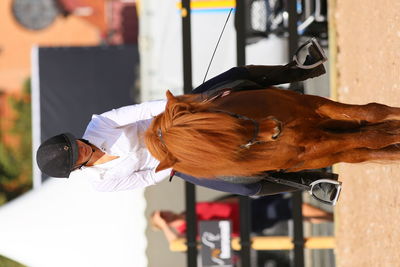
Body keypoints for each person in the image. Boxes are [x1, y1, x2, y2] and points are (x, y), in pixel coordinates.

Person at [36, 39, 328, 193]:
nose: (82, 146)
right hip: (174, 161)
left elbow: (141, 111)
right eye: (78, 153)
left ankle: (297, 69)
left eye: (76, 142)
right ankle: (308, 182)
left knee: (235, 77)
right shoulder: (101, 182)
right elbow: (147, 178)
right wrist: (173, 162)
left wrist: (184, 106)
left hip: (169, 122)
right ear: (76, 167)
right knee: (245, 186)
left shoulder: (99, 124)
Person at [150, 194, 334, 243]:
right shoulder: (183, 232)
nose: (164, 214)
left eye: (162, 212)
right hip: (247, 221)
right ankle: (333, 218)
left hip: (248, 206)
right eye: (162, 217)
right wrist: (163, 225)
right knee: (291, 207)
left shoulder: (187, 210)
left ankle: (331, 218)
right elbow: (177, 243)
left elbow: (219, 203)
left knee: (293, 212)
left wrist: (242, 198)